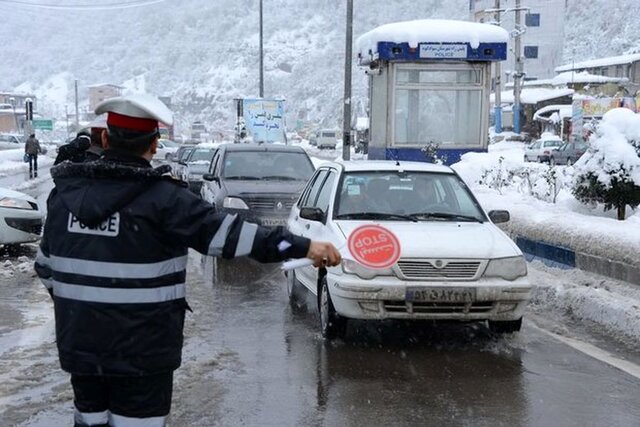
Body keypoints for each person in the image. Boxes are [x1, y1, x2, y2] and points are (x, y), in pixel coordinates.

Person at [34, 94, 341, 427]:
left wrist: (88, 311)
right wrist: (305, 247)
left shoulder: (64, 198)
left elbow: (46, 269)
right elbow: (237, 237)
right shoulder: (166, 201)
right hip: (143, 355)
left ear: (105, 139)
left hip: (81, 350)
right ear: (153, 145)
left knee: (88, 421)